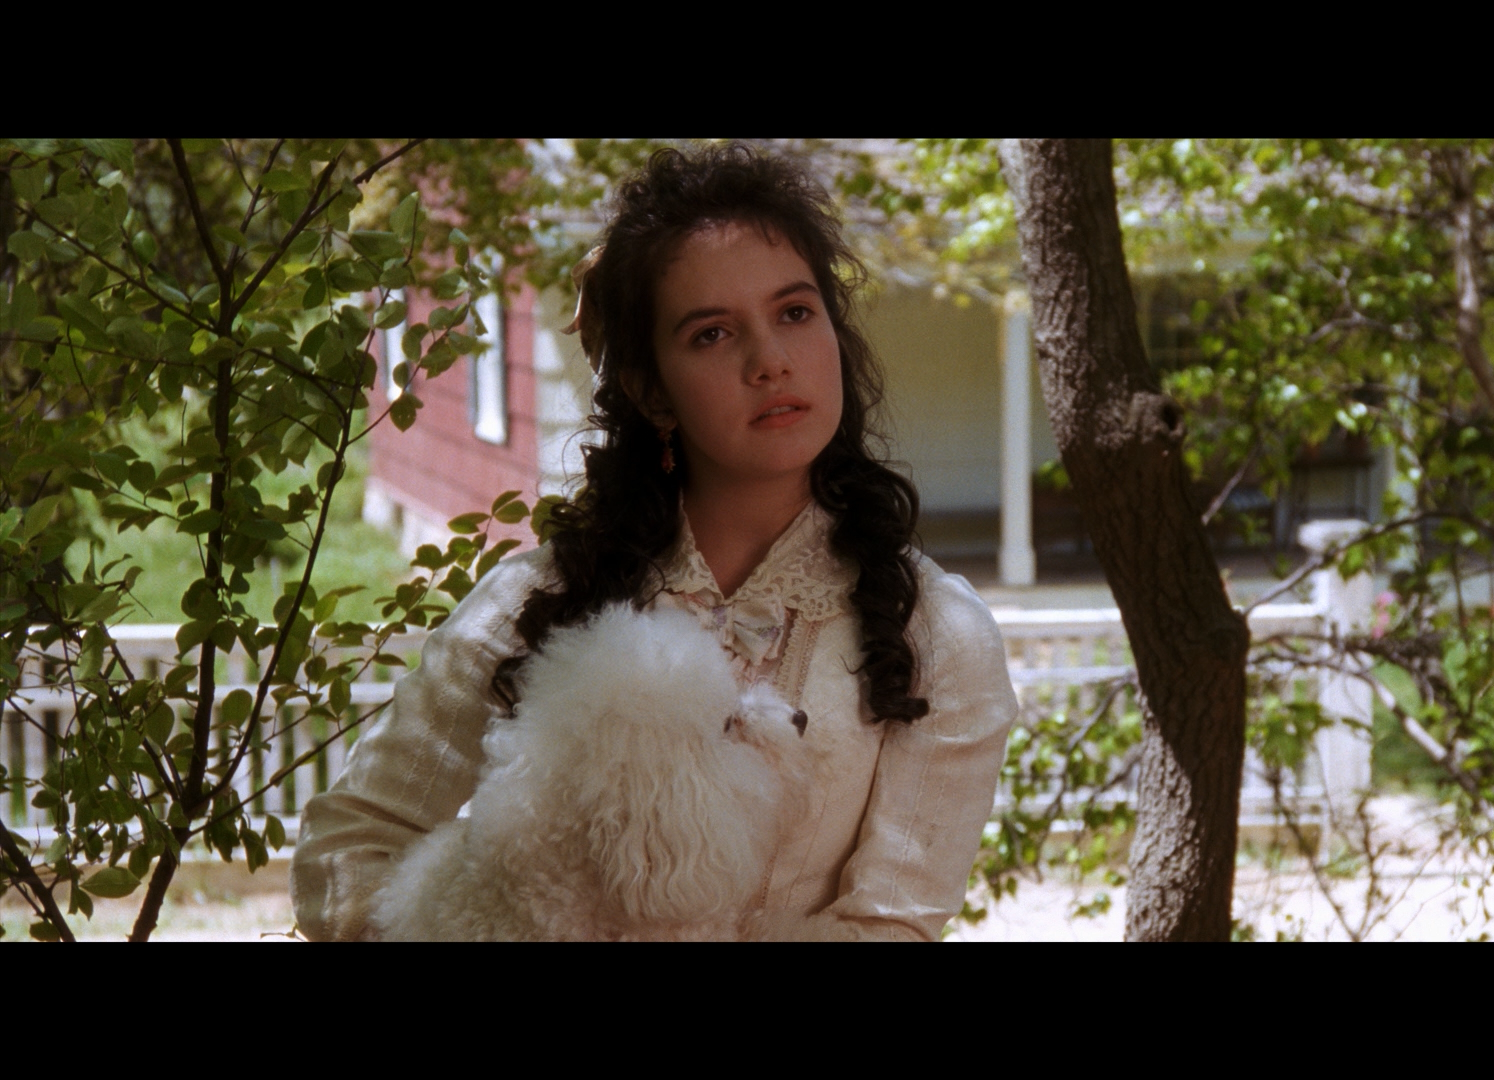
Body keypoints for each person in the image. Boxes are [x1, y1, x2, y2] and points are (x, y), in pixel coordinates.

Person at [291, 145, 1018, 941]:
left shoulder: (936, 634)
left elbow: (894, 929)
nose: (771, 361)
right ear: (649, 389)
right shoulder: (538, 601)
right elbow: (347, 854)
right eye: (712, 334)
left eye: (795, 313)